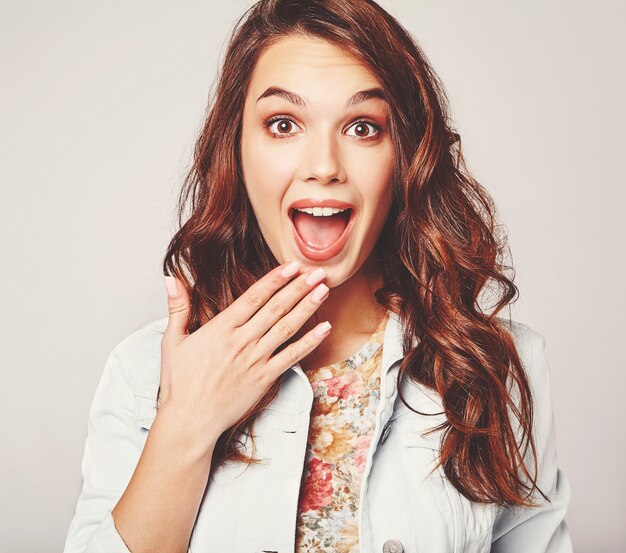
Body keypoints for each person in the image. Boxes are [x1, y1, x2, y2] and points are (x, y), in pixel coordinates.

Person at [62, 1, 574, 552]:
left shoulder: (489, 368)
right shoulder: (143, 374)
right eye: (283, 125)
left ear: (405, 156)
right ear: (236, 148)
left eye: (362, 127)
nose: (324, 165)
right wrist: (185, 422)